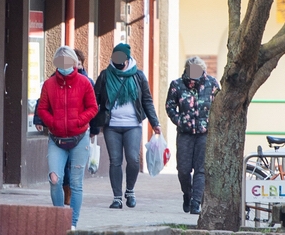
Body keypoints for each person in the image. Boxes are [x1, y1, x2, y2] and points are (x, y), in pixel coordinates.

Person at [93, 43, 161, 209]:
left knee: (133, 159)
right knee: (115, 160)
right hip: (112, 125)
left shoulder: (138, 76)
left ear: (127, 58)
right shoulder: (105, 75)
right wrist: (93, 124)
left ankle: (130, 191)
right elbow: (95, 100)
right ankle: (117, 197)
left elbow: (147, 101)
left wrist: (155, 123)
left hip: (133, 125)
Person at [36, 46, 98, 229]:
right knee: (55, 179)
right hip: (56, 139)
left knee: (76, 182)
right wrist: (52, 122)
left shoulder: (84, 83)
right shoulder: (49, 84)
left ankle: (72, 224)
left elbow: (93, 107)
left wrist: (79, 121)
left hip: (79, 138)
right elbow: (42, 109)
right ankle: (58, 220)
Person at [166, 56, 220, 214]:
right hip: (185, 134)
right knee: (183, 170)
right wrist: (180, 121)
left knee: (200, 169)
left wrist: (213, 123)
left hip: (205, 133)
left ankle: (196, 202)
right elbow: (170, 106)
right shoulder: (177, 85)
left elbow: (220, 106)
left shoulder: (212, 84)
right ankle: (187, 194)